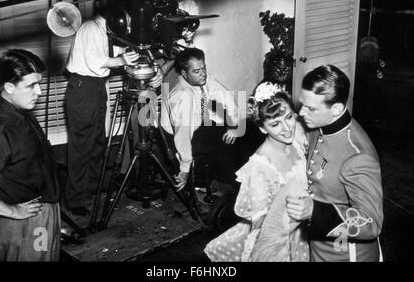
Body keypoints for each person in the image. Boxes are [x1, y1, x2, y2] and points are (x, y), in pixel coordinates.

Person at [64, 0, 163, 216]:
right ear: (115, 15)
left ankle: (93, 188)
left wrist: (154, 69)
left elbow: (128, 54)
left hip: (97, 87)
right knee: (82, 146)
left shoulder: (110, 32)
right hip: (83, 88)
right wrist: (121, 60)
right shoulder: (90, 28)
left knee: (99, 141)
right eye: (126, 22)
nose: (128, 27)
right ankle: (75, 199)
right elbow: (95, 60)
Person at [286, 64, 383, 262]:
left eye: (310, 108)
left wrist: (315, 211)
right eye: (302, 103)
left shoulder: (356, 156)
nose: (302, 113)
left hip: (345, 254)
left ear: (337, 108)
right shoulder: (320, 123)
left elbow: (371, 223)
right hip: (318, 245)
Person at [0, 49, 60, 261]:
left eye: (39, 83)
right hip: (27, 222)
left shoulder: (21, 110)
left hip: (43, 211)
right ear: (9, 87)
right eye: (31, 86)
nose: (39, 92)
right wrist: (13, 212)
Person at [204, 82, 309, 262]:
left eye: (289, 117)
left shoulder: (296, 137)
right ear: (262, 128)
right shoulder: (260, 167)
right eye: (275, 124)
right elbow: (261, 223)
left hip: (303, 227)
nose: (286, 128)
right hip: (277, 239)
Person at [160, 47, 241, 192]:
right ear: (184, 73)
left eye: (203, 68)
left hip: (199, 123)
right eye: (196, 71)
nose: (203, 74)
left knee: (242, 133)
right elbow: (182, 133)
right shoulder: (182, 96)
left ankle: (227, 179)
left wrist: (235, 127)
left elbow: (226, 98)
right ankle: (202, 183)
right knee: (224, 143)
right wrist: (185, 168)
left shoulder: (203, 78)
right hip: (177, 136)